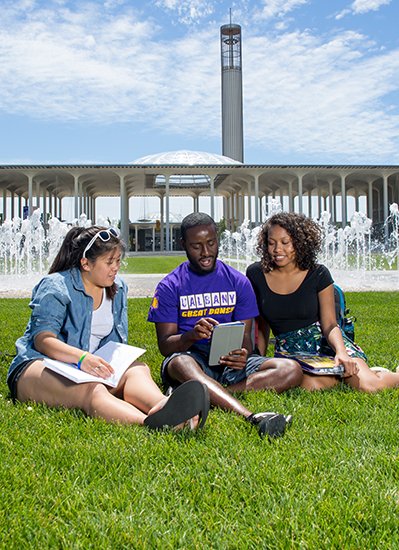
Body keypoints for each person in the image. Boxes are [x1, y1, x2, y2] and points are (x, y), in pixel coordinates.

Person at [7, 225, 209, 430]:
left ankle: (166, 407)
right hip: (43, 365)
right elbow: (43, 339)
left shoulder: (118, 287)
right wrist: (82, 358)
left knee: (137, 369)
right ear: (85, 263)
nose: (116, 267)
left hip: (90, 367)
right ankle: (152, 423)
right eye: (109, 262)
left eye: (118, 260)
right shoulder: (56, 286)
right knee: (92, 391)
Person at [147, 212, 302, 438]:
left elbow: (247, 339)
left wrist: (242, 354)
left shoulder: (238, 281)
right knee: (180, 362)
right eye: (196, 246)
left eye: (211, 243)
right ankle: (251, 416)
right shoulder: (170, 286)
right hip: (192, 360)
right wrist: (191, 336)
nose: (206, 252)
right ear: (184, 245)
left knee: (291, 370)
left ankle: (207, 392)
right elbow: (165, 346)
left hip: (229, 365)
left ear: (217, 240)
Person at [246, 211, 399, 392]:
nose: (277, 249)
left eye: (285, 243)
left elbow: (330, 325)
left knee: (369, 387)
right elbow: (262, 325)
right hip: (290, 352)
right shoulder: (256, 273)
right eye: (271, 243)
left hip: (326, 343)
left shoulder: (319, 274)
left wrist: (341, 352)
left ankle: (388, 375)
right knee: (303, 386)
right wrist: (258, 361)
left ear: (299, 242)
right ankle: (355, 374)